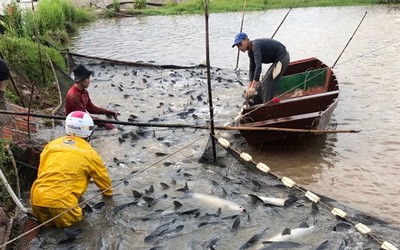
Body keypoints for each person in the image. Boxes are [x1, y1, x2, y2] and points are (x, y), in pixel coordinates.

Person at [30, 111, 113, 227]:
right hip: (63, 204)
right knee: (76, 232)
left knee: (48, 231)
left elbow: (41, 172)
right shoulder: (90, 153)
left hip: (37, 199)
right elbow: (104, 182)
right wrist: (109, 197)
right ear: (89, 132)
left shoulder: (51, 145)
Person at [232, 32, 290, 105]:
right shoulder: (250, 52)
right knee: (261, 83)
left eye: (240, 44)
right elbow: (252, 69)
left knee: (267, 83)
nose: (240, 48)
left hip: (282, 58)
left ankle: (267, 106)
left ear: (247, 39)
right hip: (277, 60)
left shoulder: (256, 46)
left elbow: (258, 66)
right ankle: (259, 101)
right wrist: (250, 86)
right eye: (238, 46)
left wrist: (253, 87)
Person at [66, 64, 118, 130]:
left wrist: (107, 112)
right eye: (87, 78)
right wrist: (104, 123)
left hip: (81, 121)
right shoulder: (73, 96)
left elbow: (91, 108)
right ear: (80, 80)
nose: (89, 81)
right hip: (73, 124)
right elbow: (84, 116)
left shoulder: (84, 92)